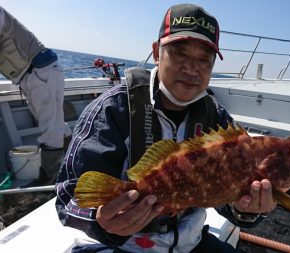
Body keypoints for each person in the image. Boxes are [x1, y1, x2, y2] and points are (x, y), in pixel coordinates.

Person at [56, 3, 276, 252]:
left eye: (204, 60)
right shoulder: (112, 109)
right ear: (157, 53)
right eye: (180, 53)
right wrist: (100, 219)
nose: (192, 68)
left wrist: (245, 208)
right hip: (122, 246)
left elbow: (224, 196)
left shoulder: (216, 116)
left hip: (190, 243)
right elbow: (69, 197)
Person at [0, 2, 71, 184]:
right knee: (57, 125)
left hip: (39, 73)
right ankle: (75, 159)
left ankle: (50, 180)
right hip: (31, 77)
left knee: (51, 130)